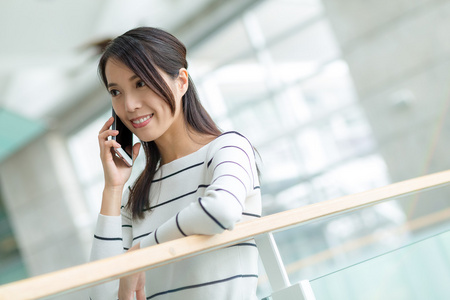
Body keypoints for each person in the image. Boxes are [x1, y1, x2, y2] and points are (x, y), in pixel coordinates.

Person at [89, 27, 262, 300]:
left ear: (181, 81)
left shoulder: (227, 148)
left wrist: (143, 250)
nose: (130, 105)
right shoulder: (136, 194)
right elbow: (102, 296)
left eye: (140, 83)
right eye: (116, 91)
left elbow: (220, 210)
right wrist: (112, 189)